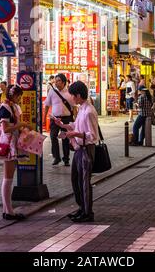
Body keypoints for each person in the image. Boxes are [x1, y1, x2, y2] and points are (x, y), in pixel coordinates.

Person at [53, 81, 98, 223]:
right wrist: (64, 125)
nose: (71, 98)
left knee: (84, 182)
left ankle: (87, 212)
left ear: (78, 95)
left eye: (73, 95)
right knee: (76, 180)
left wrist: (75, 135)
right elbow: (76, 125)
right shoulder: (82, 109)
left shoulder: (89, 111)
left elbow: (92, 136)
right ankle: (82, 208)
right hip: (79, 149)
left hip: (86, 150)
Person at [0, 84, 31, 220]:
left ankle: (7, 210)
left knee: (9, 178)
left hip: (14, 143)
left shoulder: (14, 107)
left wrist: (23, 129)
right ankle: (9, 212)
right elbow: (5, 129)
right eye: (18, 96)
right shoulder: (5, 108)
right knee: (8, 178)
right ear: (13, 95)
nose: (20, 99)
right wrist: (21, 125)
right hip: (8, 144)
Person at [44, 73, 75, 166]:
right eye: (55, 81)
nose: (56, 83)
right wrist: (44, 117)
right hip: (55, 118)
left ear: (64, 82)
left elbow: (74, 107)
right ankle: (56, 157)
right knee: (53, 136)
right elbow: (47, 104)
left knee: (65, 138)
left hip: (66, 118)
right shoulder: (52, 92)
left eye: (59, 81)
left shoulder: (69, 92)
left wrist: (76, 119)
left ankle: (66, 159)